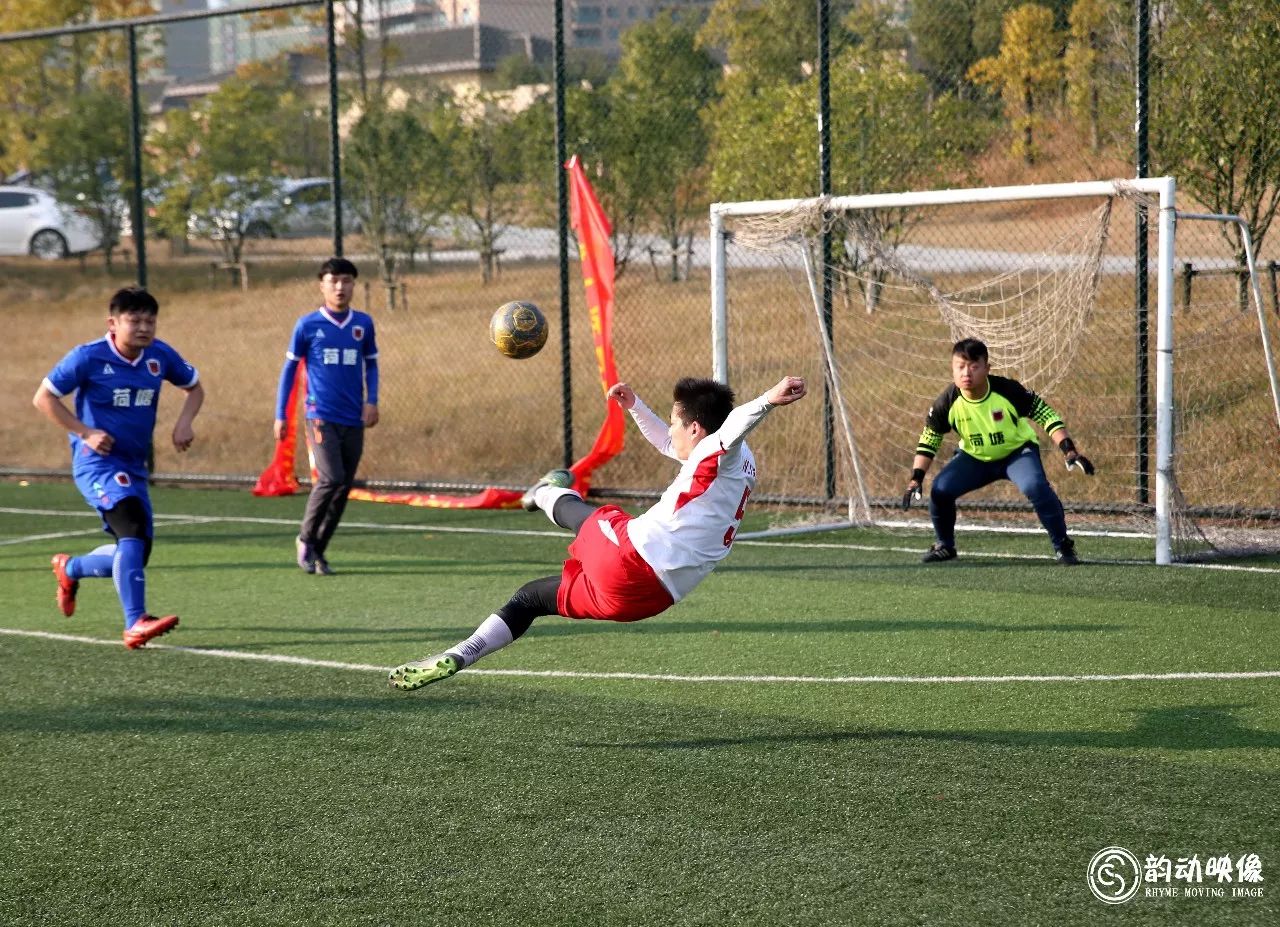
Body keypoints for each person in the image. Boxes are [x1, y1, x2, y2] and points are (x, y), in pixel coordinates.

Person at [388, 374, 808, 691]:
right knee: (531, 597)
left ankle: (544, 492)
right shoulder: (733, 460)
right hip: (649, 600)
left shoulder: (722, 445)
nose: (672, 429)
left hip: (632, 559)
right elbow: (671, 444)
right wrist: (636, 406)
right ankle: (459, 655)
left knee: (584, 512)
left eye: (676, 422)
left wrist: (768, 400)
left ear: (697, 428)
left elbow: (733, 424)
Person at [34, 286, 205, 649]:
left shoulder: (159, 356)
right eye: (134, 320)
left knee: (137, 551)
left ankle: (71, 568)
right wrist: (85, 433)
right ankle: (135, 622)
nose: (143, 327)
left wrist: (184, 423)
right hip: (96, 464)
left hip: (132, 465)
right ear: (113, 323)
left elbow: (195, 388)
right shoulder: (87, 358)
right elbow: (44, 397)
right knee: (130, 526)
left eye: (150, 320)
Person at [902, 337, 1094, 565]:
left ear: (987, 368)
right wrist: (916, 478)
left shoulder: (1007, 390)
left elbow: (1045, 414)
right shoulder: (946, 402)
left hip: (1017, 453)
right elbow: (929, 440)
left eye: (974, 366)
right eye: (960, 367)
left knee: (1035, 486)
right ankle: (945, 545)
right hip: (975, 458)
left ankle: (1063, 546)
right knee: (941, 490)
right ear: (952, 369)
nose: (967, 373)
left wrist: (1069, 450)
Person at [274, 257, 379, 575]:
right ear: (322, 285)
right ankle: (305, 538)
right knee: (330, 477)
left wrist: (371, 401)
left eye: (346, 280)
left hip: (353, 418)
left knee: (343, 486)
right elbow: (289, 370)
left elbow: (371, 364)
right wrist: (280, 414)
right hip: (320, 416)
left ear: (353, 285)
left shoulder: (363, 324)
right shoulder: (308, 325)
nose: (340, 287)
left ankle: (319, 550)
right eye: (333, 281)